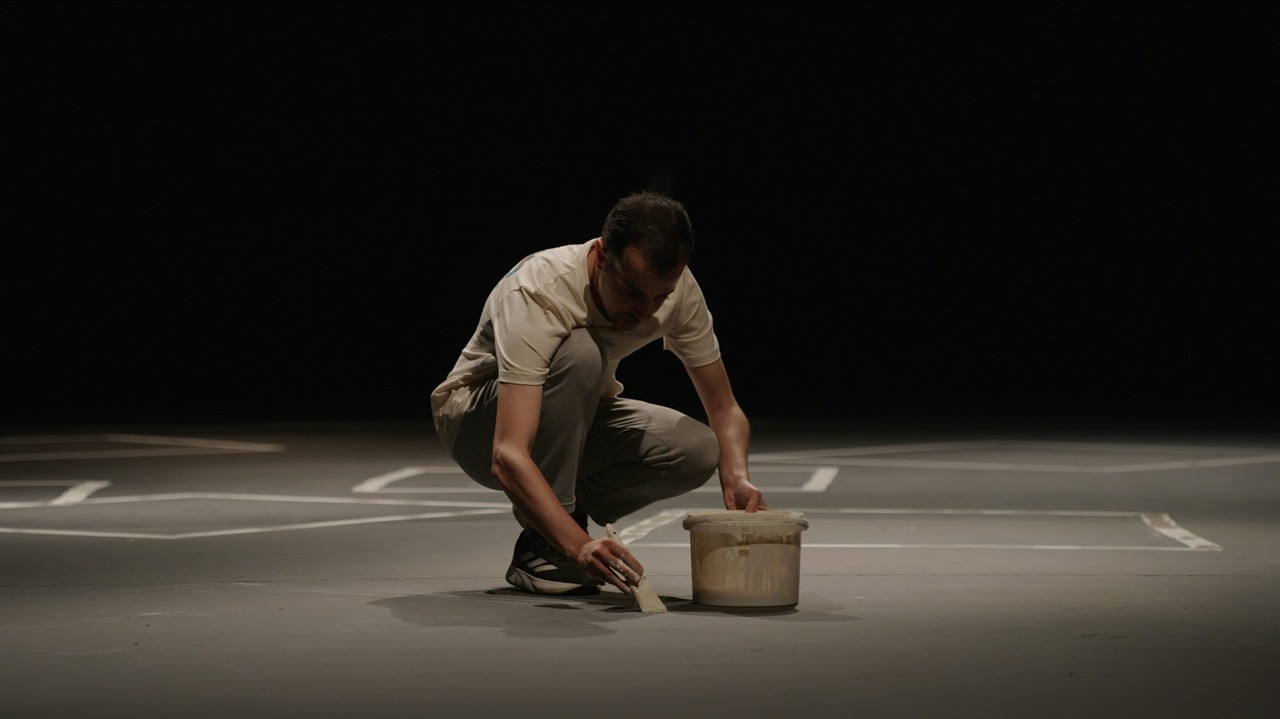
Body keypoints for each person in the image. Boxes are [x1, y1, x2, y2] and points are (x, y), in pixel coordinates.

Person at [430, 189, 767, 597]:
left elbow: (724, 407)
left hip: (568, 417)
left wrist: (737, 477)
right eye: (632, 291)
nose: (646, 310)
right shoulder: (540, 291)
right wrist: (577, 544)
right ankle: (550, 542)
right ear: (603, 256)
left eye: (659, 296)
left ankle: (551, 528)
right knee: (580, 350)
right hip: (477, 425)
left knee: (695, 449)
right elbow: (507, 453)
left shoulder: (676, 290)